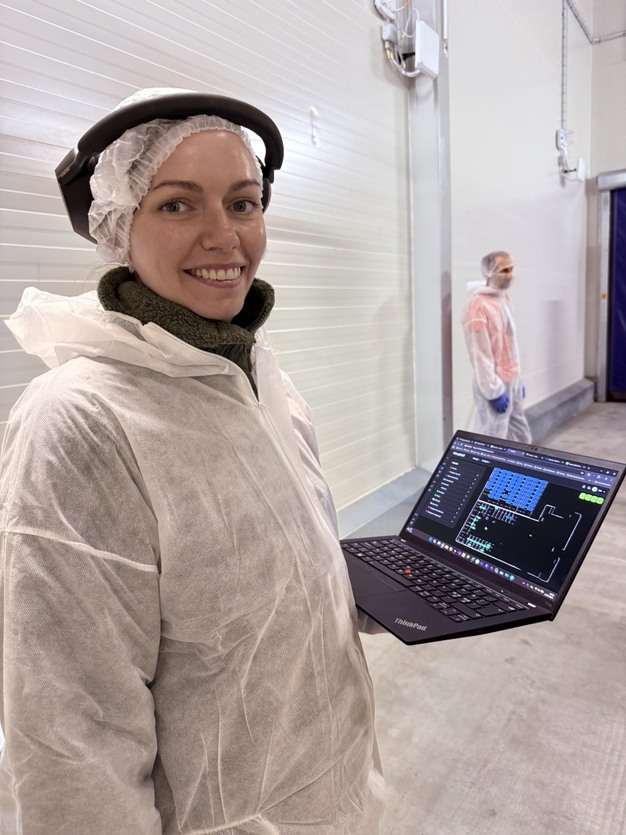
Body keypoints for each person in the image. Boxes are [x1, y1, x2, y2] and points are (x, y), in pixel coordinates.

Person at [0, 88, 385, 834]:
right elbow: (70, 741)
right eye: (178, 205)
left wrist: (364, 585)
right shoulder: (82, 421)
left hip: (331, 795)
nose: (224, 235)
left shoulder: (262, 381)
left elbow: (263, 572)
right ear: (120, 227)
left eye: (243, 203)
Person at [462, 250, 532, 443]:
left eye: (511, 269)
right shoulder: (477, 306)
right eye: (504, 270)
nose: (510, 275)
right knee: (493, 437)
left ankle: (519, 462)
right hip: (494, 381)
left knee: (519, 433)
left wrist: (517, 380)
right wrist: (493, 390)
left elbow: (509, 346)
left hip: (511, 378)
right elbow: (479, 353)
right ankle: (488, 465)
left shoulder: (503, 299)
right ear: (489, 273)